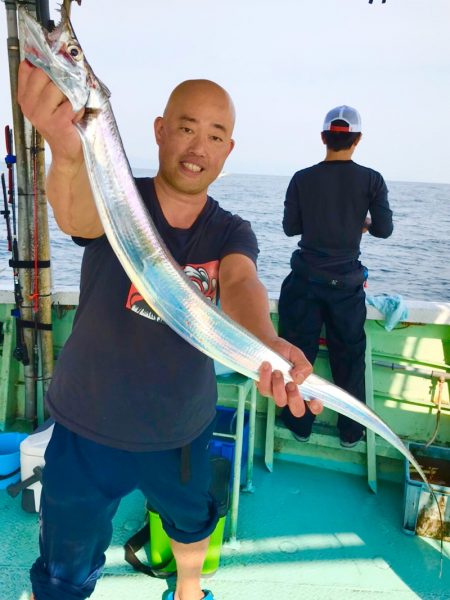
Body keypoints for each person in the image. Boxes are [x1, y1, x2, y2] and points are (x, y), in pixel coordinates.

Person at [18, 60, 323, 600]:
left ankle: (186, 591)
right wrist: (65, 152)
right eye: (185, 128)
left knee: (191, 521)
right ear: (160, 131)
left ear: (228, 151)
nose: (197, 146)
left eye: (214, 135)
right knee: (64, 563)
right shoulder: (118, 200)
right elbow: (76, 218)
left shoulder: (230, 229)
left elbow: (240, 280)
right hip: (87, 422)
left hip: (179, 430)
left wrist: (265, 343)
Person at [278, 105, 393, 448]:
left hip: (304, 284)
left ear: (323, 138)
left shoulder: (302, 178)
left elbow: (290, 228)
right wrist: (364, 222)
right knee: (349, 359)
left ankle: (299, 426)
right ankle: (351, 432)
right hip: (347, 287)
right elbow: (384, 230)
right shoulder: (372, 179)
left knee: (298, 357)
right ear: (357, 139)